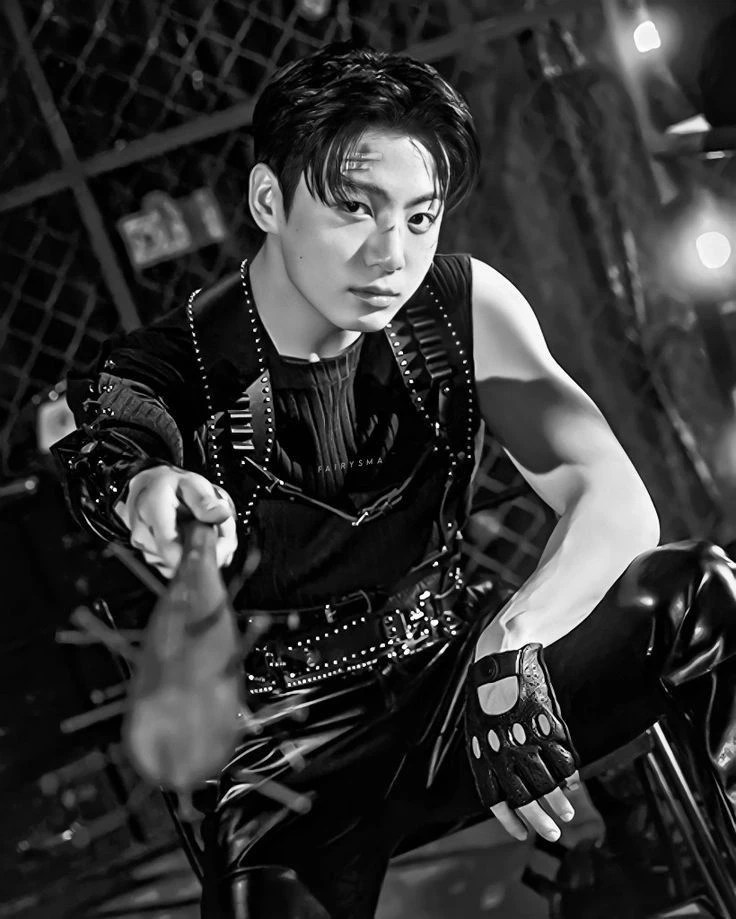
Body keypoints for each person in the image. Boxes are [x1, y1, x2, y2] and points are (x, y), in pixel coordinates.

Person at [53, 41, 736, 919]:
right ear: (269, 200)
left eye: (422, 217)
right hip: (289, 753)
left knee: (700, 593)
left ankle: (653, 862)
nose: (391, 253)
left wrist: (514, 638)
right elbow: (119, 449)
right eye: (355, 209)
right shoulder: (168, 362)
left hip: (462, 676)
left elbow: (613, 497)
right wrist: (151, 494)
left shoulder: (463, 305)